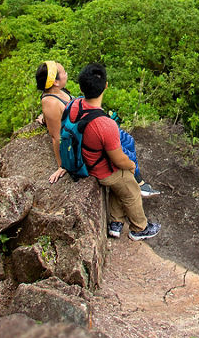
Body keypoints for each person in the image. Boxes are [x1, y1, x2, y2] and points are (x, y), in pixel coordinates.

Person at [35, 60, 162, 196]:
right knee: (124, 154)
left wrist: (45, 117)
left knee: (129, 140)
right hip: (85, 136)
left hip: (90, 124)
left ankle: (139, 181)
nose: (66, 74)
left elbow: (59, 111)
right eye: (64, 73)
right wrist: (63, 165)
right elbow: (56, 137)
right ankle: (137, 184)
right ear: (55, 82)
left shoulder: (59, 91)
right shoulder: (50, 102)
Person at [67, 62, 161, 240]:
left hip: (83, 157)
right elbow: (118, 160)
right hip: (99, 169)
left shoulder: (75, 105)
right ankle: (140, 228)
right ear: (106, 86)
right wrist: (132, 165)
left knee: (123, 181)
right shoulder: (105, 124)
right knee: (131, 187)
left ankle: (115, 222)